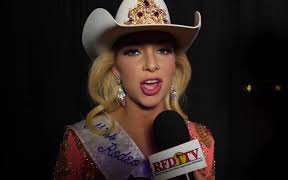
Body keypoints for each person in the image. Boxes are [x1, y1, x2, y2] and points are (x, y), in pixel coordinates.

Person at [53, 0, 215, 179]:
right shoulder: (81, 142)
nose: (151, 65)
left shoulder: (200, 140)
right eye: (133, 51)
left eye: (162, 50)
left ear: (175, 65)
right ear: (115, 68)